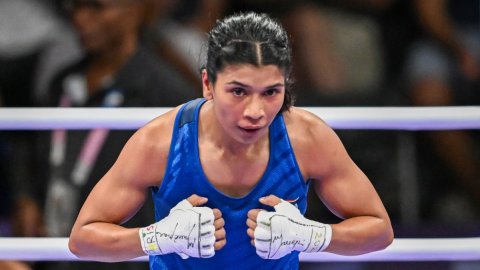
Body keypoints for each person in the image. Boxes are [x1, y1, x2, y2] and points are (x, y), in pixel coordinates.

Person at [69, 12, 393, 269]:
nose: (255, 111)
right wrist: (157, 237)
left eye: (271, 92)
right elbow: (83, 239)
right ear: (208, 84)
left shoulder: (307, 138)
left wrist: (314, 235)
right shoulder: (162, 142)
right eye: (238, 91)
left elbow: (379, 230)